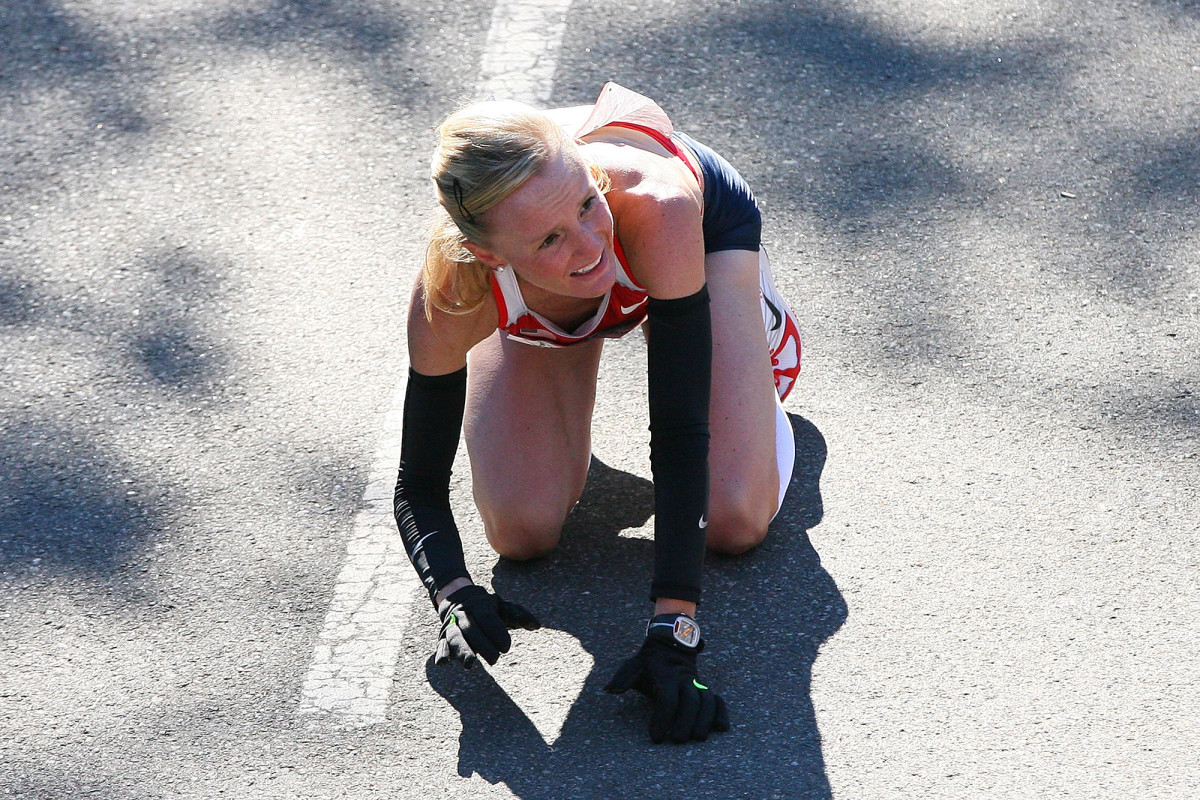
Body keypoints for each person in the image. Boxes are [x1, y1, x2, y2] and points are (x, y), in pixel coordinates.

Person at [393, 82, 802, 744]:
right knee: (520, 531)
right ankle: (545, 329)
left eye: (587, 204)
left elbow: (677, 434)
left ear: (591, 175)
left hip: (691, 247)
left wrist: (676, 628)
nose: (589, 247)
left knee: (733, 518)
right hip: (543, 303)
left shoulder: (655, 209)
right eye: (551, 238)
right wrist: (453, 594)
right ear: (492, 256)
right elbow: (417, 486)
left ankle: (760, 351)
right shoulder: (450, 294)